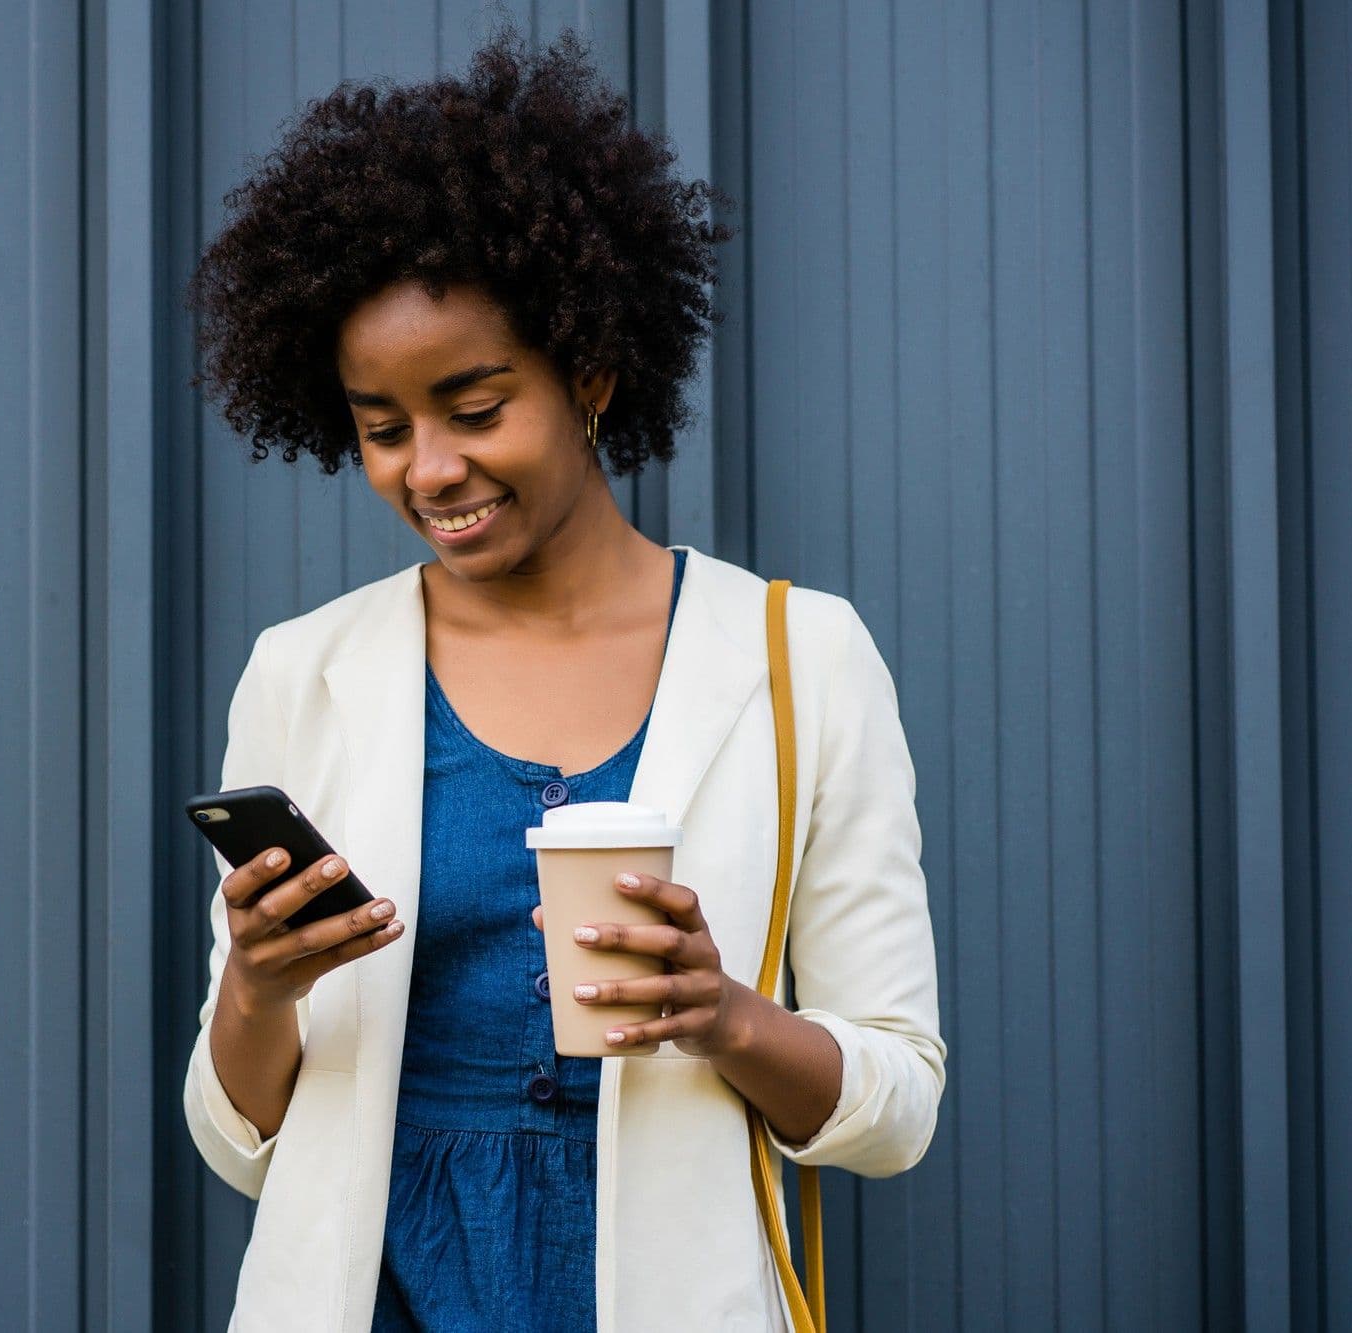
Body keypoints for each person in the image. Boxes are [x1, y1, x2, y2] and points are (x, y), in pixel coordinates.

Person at [179, 25, 944, 1332]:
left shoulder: (801, 660)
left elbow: (898, 1111)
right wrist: (258, 983)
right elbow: (240, 1140)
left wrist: (724, 1016)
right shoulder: (302, 675)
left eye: (476, 409)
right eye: (382, 428)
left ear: (590, 372)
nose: (428, 469)